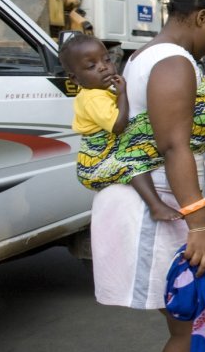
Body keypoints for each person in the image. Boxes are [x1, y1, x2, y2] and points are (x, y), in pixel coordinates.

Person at [89, 0, 205, 352]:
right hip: (157, 209)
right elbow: (174, 146)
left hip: (153, 201)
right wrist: (200, 224)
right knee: (189, 326)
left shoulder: (144, 56)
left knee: (190, 319)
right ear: (201, 16)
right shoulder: (174, 61)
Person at [59, 34, 182, 222]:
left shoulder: (98, 91)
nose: (102, 66)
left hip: (106, 149)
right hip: (95, 161)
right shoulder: (92, 97)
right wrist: (122, 93)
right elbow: (118, 125)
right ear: (75, 79)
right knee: (131, 164)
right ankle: (155, 206)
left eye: (106, 59)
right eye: (92, 66)